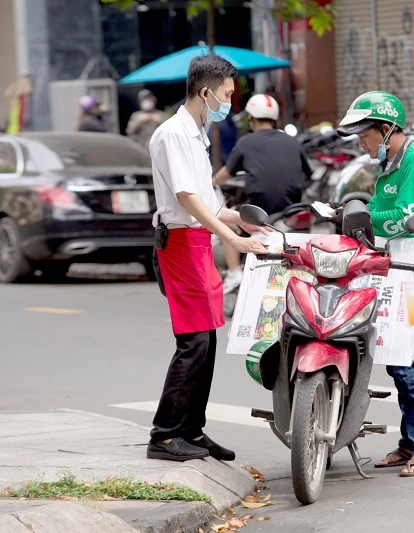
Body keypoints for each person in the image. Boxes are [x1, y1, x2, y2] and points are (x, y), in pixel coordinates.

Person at [147, 54, 269, 462]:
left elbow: (210, 203)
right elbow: (186, 199)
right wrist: (231, 237)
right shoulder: (173, 134)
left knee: (206, 341)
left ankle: (193, 432)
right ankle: (165, 435)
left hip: (196, 241)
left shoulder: (196, 132)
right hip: (181, 244)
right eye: (227, 95)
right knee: (193, 342)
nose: (230, 103)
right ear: (205, 91)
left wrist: (245, 223)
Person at [336, 91, 414, 477]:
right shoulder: (391, 166)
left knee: (412, 361)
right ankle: (410, 441)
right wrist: (350, 212)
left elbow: (409, 214)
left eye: (364, 135)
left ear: (386, 128)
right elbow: (381, 210)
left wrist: (365, 217)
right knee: (397, 363)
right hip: (393, 271)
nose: (360, 142)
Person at [212, 93, 312, 293]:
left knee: (225, 221)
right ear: (274, 118)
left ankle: (234, 273)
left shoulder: (246, 142)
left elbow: (227, 172)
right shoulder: (292, 141)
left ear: (251, 119)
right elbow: (308, 173)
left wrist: (210, 182)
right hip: (292, 209)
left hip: (259, 210)